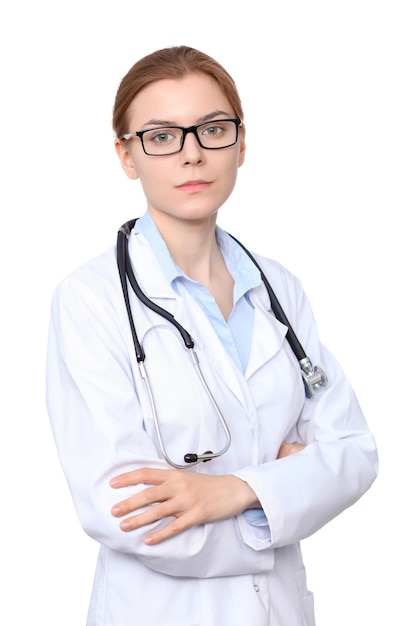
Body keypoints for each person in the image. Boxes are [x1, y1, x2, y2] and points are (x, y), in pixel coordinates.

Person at [46, 45, 378, 626]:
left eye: (213, 129)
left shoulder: (279, 288)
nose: (192, 154)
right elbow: (126, 512)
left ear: (242, 144)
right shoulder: (90, 301)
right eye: (161, 136)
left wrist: (229, 493)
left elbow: (353, 455)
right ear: (127, 156)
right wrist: (284, 491)